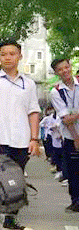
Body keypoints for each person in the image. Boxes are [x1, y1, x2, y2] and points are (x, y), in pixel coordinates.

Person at [0, 40, 40, 230]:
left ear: (20, 56)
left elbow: (33, 112)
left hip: (22, 140)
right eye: (3, 54)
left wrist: (34, 139)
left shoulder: (28, 84)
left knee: (17, 181)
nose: (7, 58)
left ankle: (12, 219)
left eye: (12, 54)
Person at [50, 57, 79, 212]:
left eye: (66, 67)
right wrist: (76, 138)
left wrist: (74, 116)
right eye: (60, 69)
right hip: (71, 137)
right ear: (56, 73)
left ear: (70, 66)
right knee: (73, 170)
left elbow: (70, 117)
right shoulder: (56, 92)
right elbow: (66, 119)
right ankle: (76, 201)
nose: (64, 71)